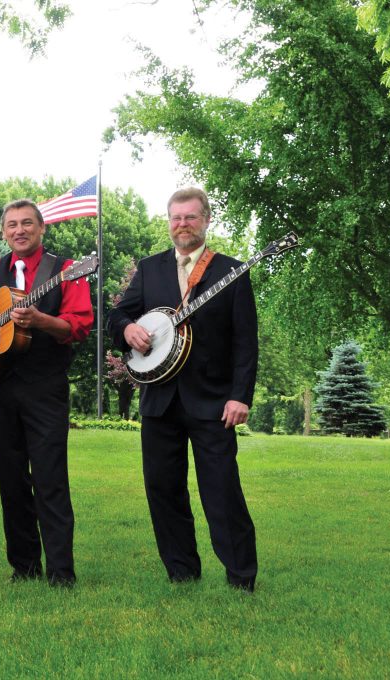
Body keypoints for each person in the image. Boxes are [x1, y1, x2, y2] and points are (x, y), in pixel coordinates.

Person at [107, 187, 258, 592]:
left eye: (191, 217)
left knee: (222, 490)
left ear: (206, 220)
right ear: (169, 222)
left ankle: (241, 577)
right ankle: (181, 572)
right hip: (159, 400)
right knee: (162, 489)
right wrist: (128, 329)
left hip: (213, 402)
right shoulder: (151, 268)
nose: (183, 224)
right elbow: (117, 315)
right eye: (176, 218)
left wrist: (240, 395)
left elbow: (246, 342)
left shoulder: (231, 271)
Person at [0, 199, 93, 587]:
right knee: (11, 479)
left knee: (50, 479)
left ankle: (61, 572)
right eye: (11, 225)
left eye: (27, 223)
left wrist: (42, 320)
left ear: (41, 229)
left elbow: (78, 327)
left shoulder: (66, 271)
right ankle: (24, 566)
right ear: (4, 231)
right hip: (1, 386)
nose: (19, 230)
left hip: (45, 388)